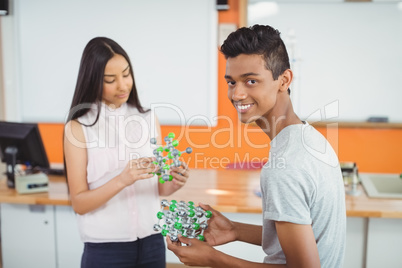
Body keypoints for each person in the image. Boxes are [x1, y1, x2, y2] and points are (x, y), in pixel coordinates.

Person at [167, 24, 346, 267]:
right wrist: (235, 230)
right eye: (231, 82)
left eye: (251, 81)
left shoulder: (284, 168)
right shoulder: (310, 138)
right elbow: (307, 234)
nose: (237, 94)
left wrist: (214, 259)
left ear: (284, 80)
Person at [63, 37, 189, 268]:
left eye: (126, 74)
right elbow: (79, 203)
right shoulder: (78, 128)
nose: (122, 85)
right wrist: (122, 179)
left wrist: (174, 182)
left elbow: (158, 188)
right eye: (110, 80)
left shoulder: (148, 119)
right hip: (105, 249)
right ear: (92, 81)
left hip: (152, 243)